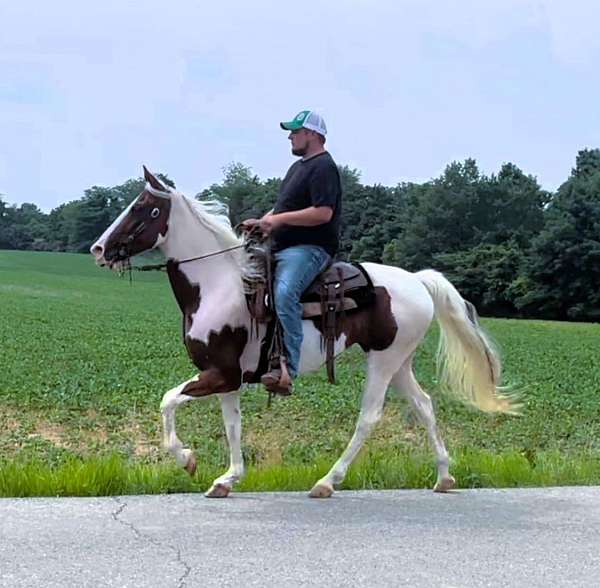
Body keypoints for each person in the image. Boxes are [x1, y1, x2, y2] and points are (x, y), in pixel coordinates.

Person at [243, 110, 342, 395]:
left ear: (312, 134)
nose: (290, 136)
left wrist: (277, 221)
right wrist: (263, 221)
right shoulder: (298, 168)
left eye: (295, 131)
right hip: (282, 245)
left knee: (285, 293)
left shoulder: (324, 167)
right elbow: (282, 208)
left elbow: (323, 213)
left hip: (310, 249)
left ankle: (287, 367)